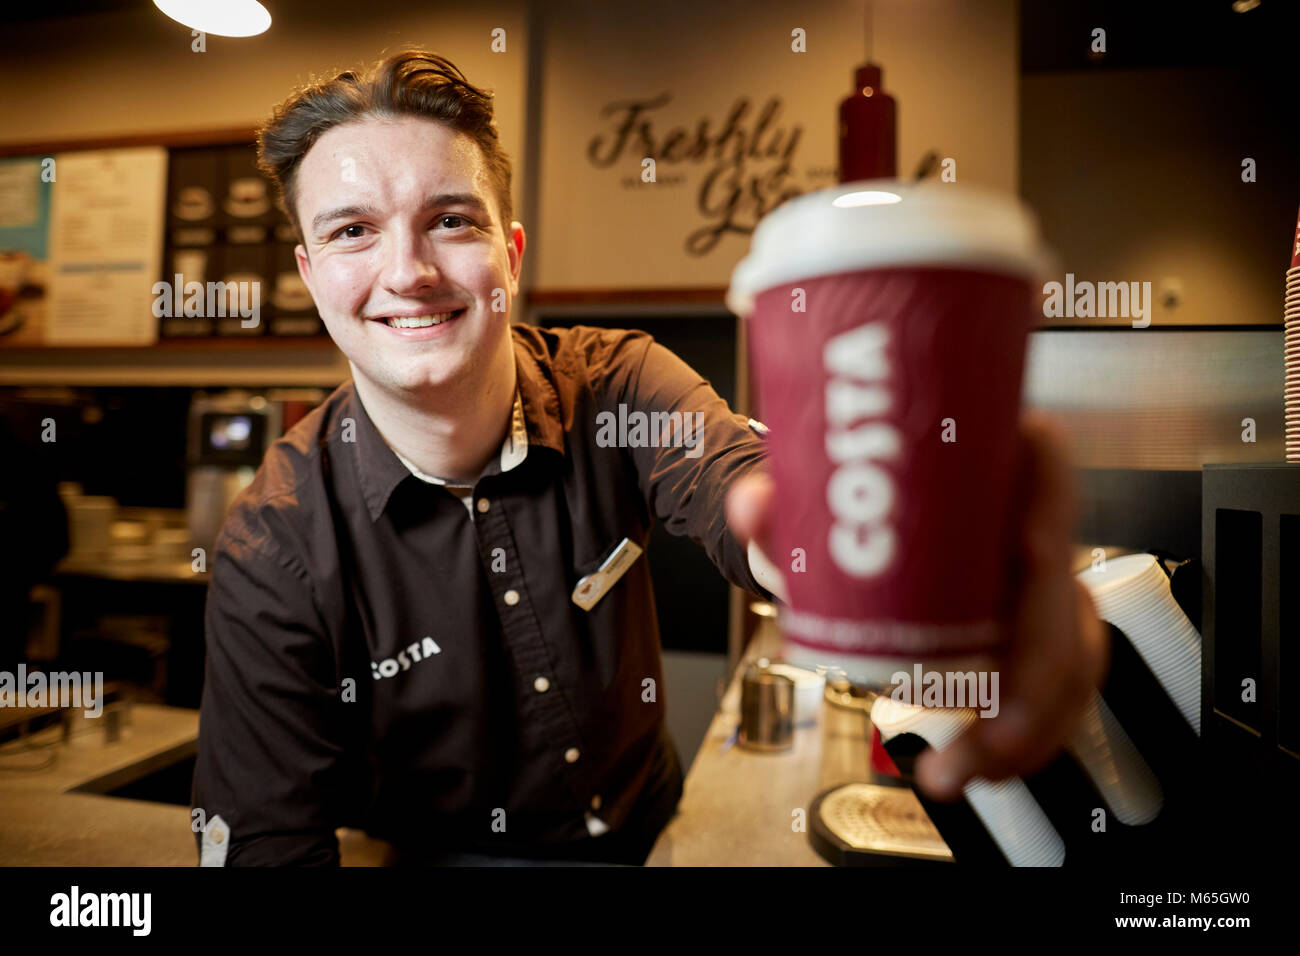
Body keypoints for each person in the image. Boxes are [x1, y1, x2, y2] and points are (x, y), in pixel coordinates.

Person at [191, 50, 1106, 866]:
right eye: (352, 230)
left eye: (451, 221)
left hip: (656, 828)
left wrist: (917, 560)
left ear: (509, 254)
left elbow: (747, 494)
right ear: (311, 275)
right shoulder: (273, 546)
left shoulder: (620, 384)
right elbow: (268, 843)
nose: (408, 272)